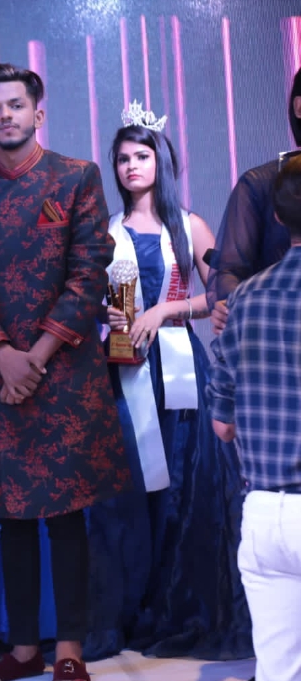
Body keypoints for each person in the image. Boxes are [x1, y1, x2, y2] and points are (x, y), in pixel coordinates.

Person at [0, 64, 129, 681]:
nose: (5, 116)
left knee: (68, 514)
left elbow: (88, 275)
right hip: (1, 374)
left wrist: (37, 356)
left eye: (15, 105)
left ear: (37, 113)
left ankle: (69, 650)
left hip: (66, 370)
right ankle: (24, 651)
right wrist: (3, 354)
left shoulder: (76, 177)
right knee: (12, 513)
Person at [96, 103, 251, 660]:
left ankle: (184, 606)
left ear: (161, 160)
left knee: (187, 489)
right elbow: (102, 301)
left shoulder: (190, 225)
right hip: (125, 369)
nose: (131, 167)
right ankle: (133, 608)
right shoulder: (106, 232)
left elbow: (224, 293)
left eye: (140, 156)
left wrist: (166, 310)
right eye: (122, 159)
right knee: (132, 494)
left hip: (181, 372)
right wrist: (108, 316)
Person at [208, 153, 301, 681]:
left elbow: (223, 425)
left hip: (265, 513)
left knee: (277, 670)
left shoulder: (243, 299)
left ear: (279, 218)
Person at [207, 66, 301, 333]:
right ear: (299, 107)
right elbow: (229, 271)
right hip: (280, 333)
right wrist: (234, 306)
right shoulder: (260, 184)